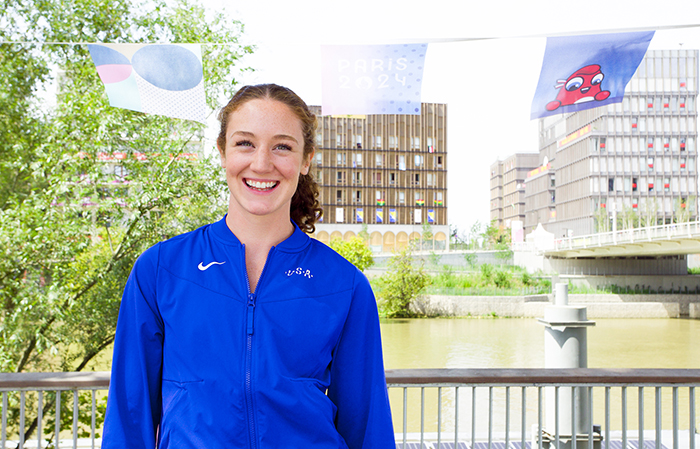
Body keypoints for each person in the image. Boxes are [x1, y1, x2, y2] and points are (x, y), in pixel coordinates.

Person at [101, 84, 396, 448]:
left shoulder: (344, 285)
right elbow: (129, 417)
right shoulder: (161, 269)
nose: (261, 163)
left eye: (282, 147)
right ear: (223, 152)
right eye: (245, 143)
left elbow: (369, 428)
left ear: (305, 160)